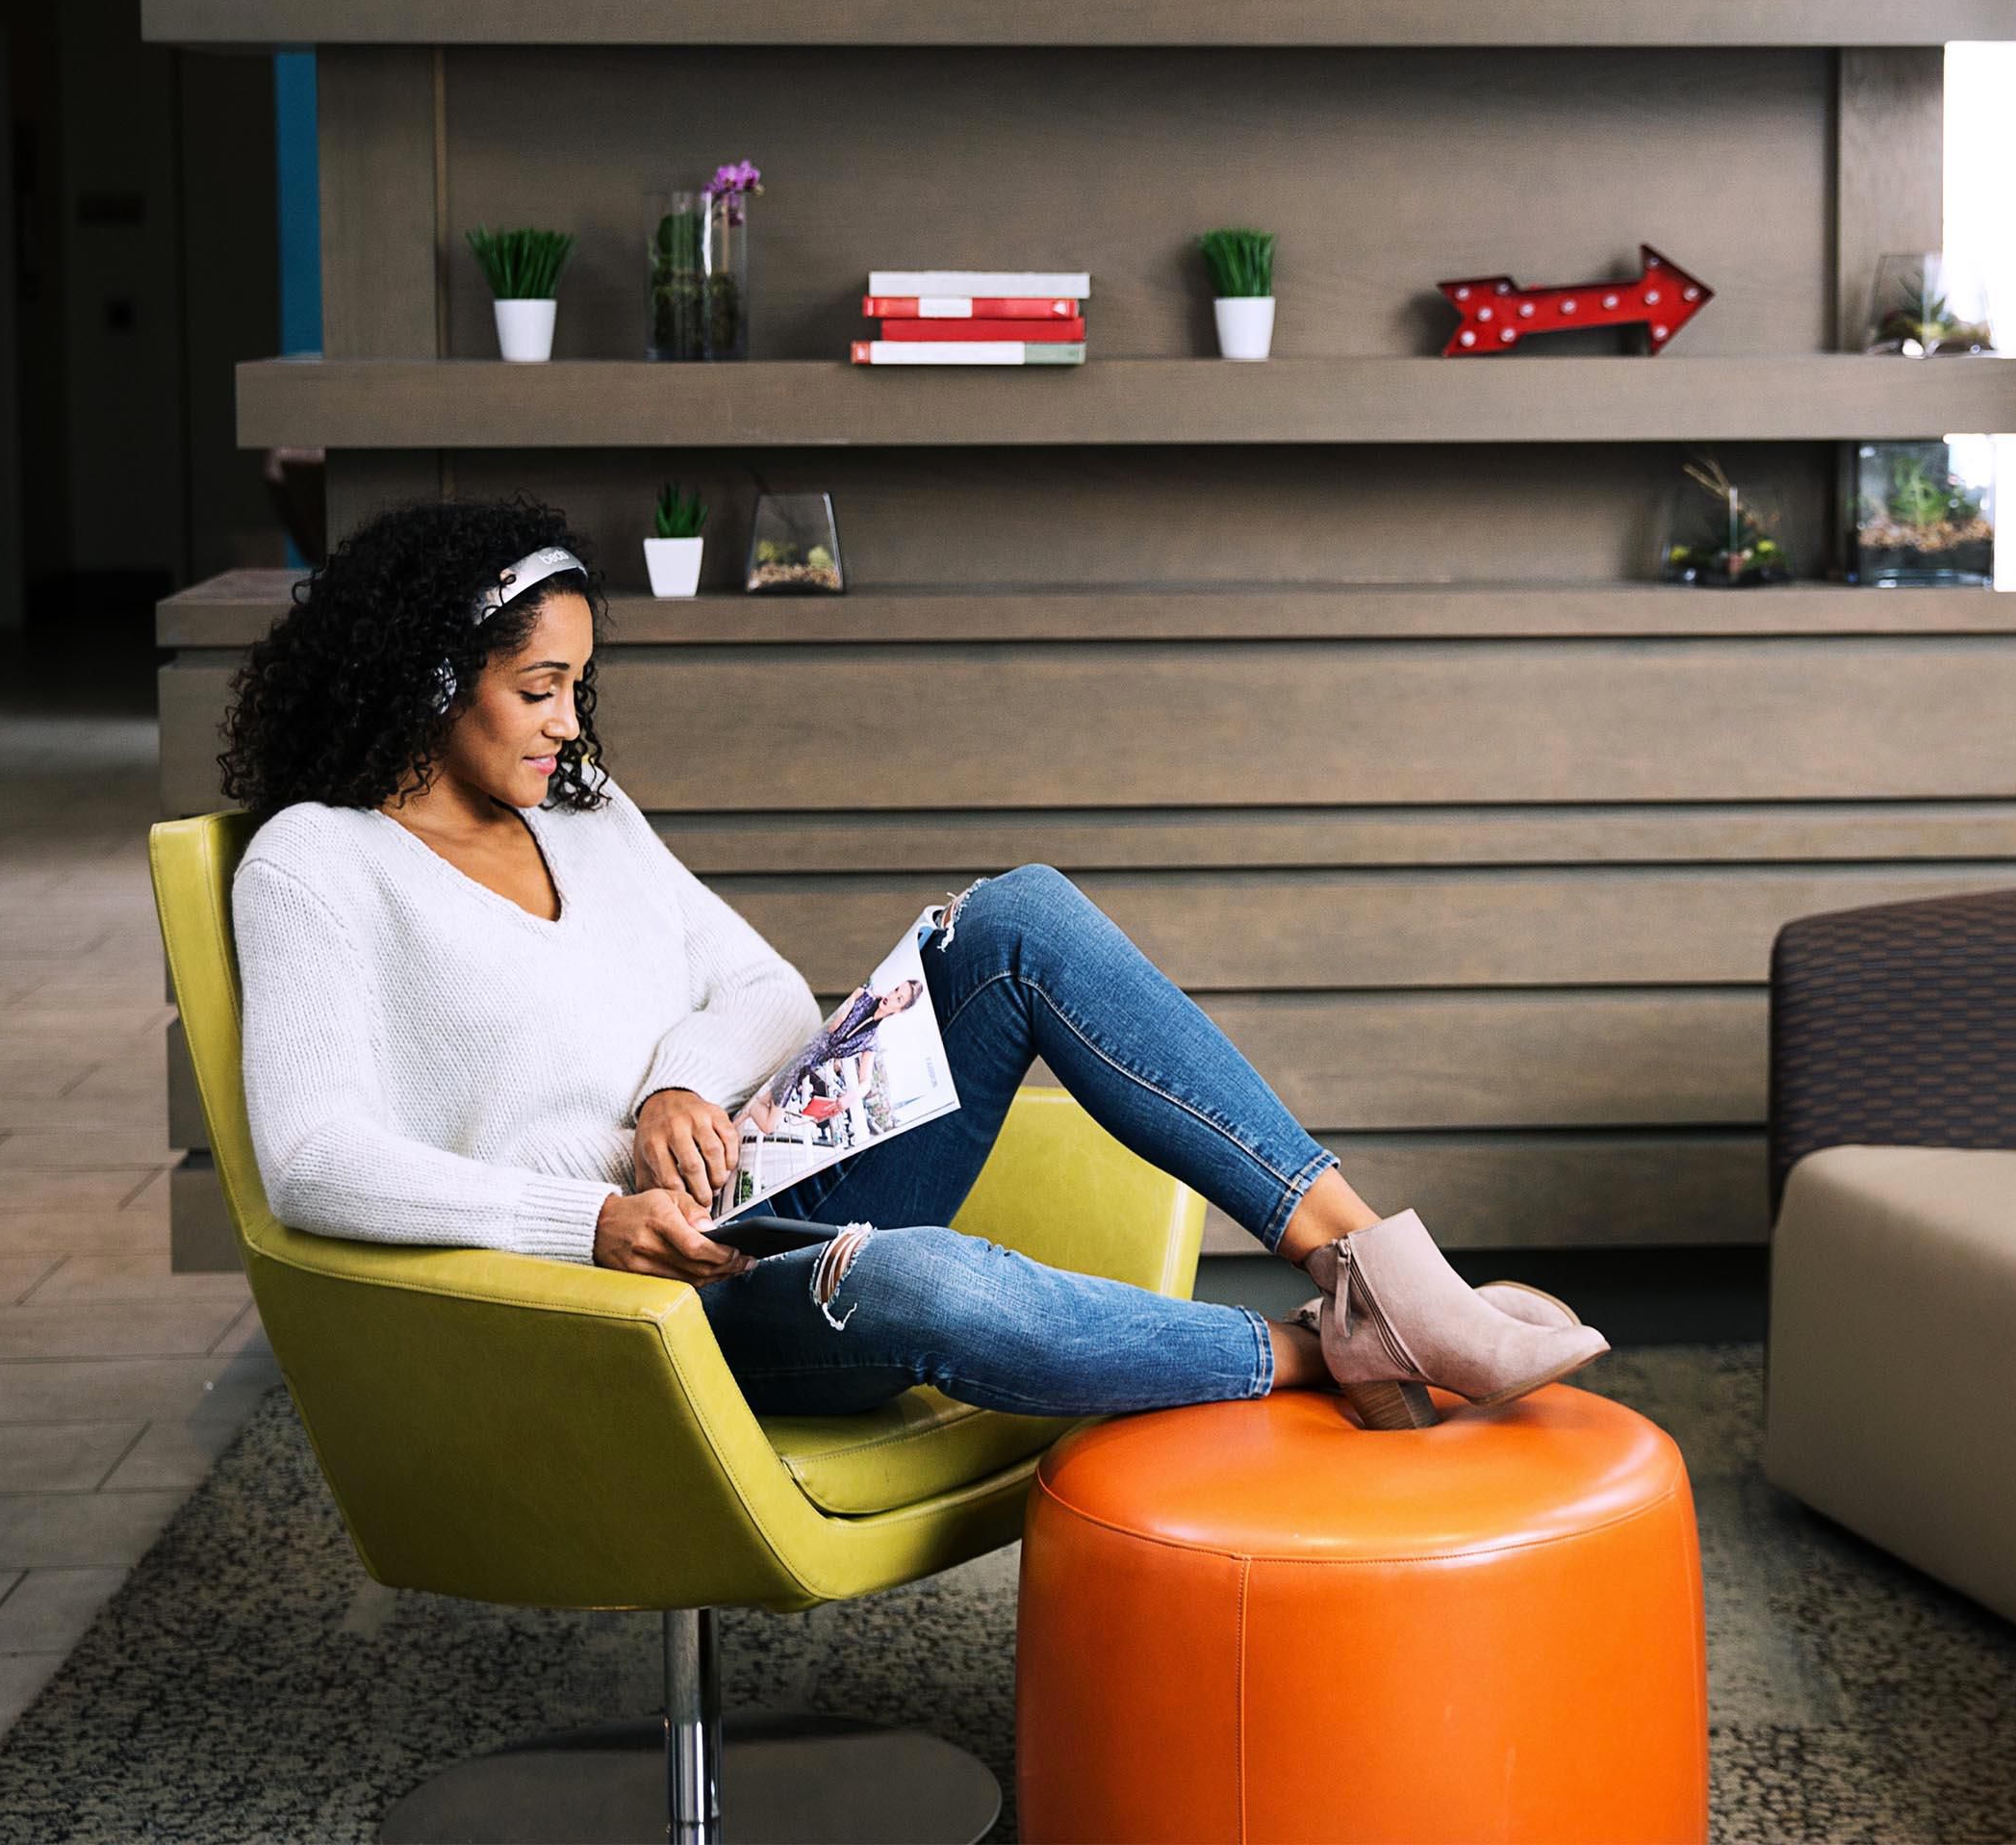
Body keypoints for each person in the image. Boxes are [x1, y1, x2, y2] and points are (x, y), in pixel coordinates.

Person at [217, 499, 1602, 1431]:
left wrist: (671, 1091)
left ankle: (1374, 1273)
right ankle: (1313, 1354)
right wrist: (582, 1222)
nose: (571, 726)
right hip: (631, 1302)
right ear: (430, 678)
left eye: (579, 687)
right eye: (539, 690)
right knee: (922, 1280)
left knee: (1019, 918)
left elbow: (766, 992)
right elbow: (313, 1160)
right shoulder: (314, 863)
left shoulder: (585, 812)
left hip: (755, 1180)